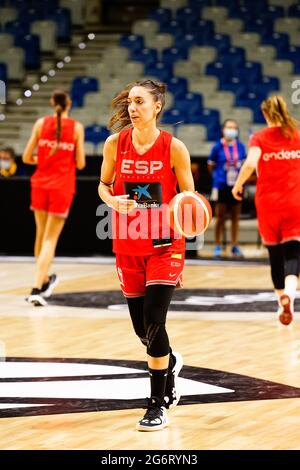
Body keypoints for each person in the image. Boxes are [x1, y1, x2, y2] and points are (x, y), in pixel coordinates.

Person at [98, 79, 195, 431]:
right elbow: (103, 185)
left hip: (165, 245)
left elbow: (189, 199)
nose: (133, 108)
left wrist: (182, 227)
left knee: (155, 318)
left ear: (157, 107)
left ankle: (156, 405)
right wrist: (112, 201)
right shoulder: (115, 144)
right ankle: (169, 362)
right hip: (127, 243)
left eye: (140, 101)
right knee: (144, 331)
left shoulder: (174, 148)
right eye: (129, 102)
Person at [232, 95, 300, 325]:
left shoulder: (259, 137)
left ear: (265, 114)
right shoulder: (296, 134)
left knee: (274, 255)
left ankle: (280, 298)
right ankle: (290, 295)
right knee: (293, 252)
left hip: (268, 202)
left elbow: (251, 163)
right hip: (294, 201)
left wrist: (239, 184)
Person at [22, 90, 85, 306]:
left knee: (40, 236)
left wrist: (45, 158)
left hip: (39, 183)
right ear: (69, 104)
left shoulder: (40, 124)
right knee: (50, 240)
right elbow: (81, 163)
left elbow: (26, 157)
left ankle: (45, 280)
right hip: (61, 186)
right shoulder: (76, 128)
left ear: (52, 103)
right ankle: (36, 288)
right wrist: (63, 158)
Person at [207, 119, 247, 258]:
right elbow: (211, 165)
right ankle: (217, 245)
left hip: (237, 186)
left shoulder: (241, 146)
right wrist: (218, 178)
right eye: (229, 127)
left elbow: (244, 166)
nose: (231, 130)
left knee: (236, 217)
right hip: (221, 185)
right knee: (220, 216)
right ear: (223, 130)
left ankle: (234, 245)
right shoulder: (217, 146)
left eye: (234, 128)